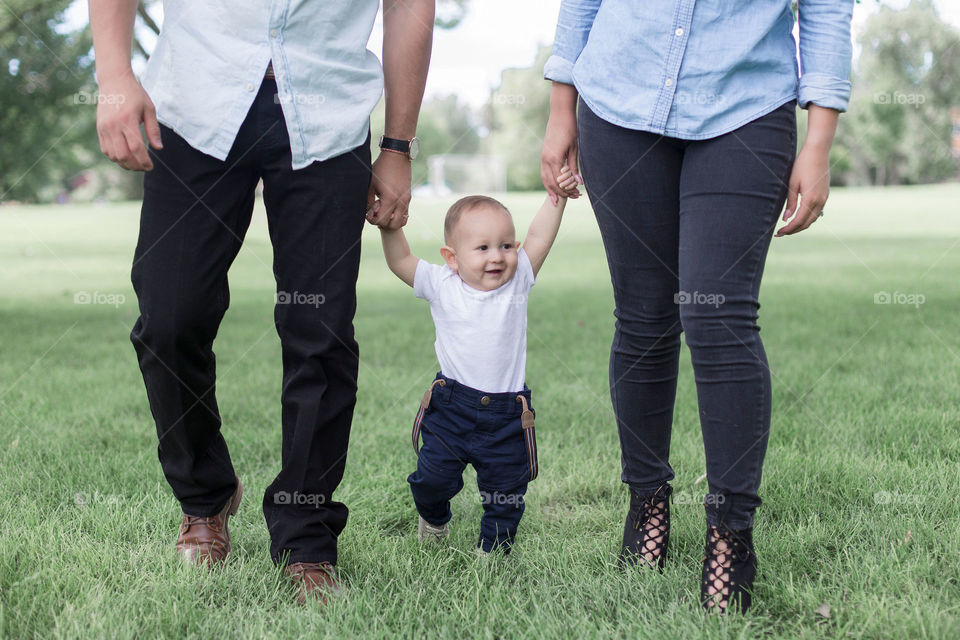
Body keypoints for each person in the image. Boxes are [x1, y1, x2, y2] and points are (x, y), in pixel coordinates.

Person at [88, 0, 434, 605]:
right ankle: (206, 496)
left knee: (320, 330)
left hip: (326, 112)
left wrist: (398, 144)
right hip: (194, 102)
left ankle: (306, 535)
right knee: (170, 317)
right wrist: (115, 76)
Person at [541, 0, 853, 613]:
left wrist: (819, 141)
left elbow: (826, 8)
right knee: (644, 316)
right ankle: (647, 501)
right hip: (618, 99)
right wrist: (560, 108)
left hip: (745, 107)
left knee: (718, 315)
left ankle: (730, 531)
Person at [377, 170, 577, 555]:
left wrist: (559, 196)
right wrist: (390, 227)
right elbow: (400, 259)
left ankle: (493, 552)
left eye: (506, 246)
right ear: (451, 258)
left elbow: (538, 237)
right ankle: (434, 519)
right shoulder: (440, 284)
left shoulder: (518, 280)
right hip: (451, 408)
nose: (497, 256)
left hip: (506, 415)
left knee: (507, 493)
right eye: (482, 248)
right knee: (431, 480)